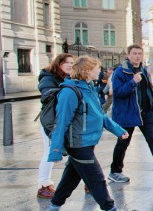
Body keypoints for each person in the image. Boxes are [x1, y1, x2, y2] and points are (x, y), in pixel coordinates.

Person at [47, 56, 129, 211]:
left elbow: (101, 115)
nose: (100, 71)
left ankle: (54, 205)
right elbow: (61, 122)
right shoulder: (70, 92)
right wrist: (56, 151)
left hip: (88, 142)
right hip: (78, 144)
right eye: (97, 68)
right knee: (97, 178)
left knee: (71, 177)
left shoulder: (89, 87)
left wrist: (118, 130)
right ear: (86, 71)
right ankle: (110, 208)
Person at [108, 44, 153, 183]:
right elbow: (117, 93)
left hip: (145, 112)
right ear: (128, 55)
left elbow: (148, 91)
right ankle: (115, 171)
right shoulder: (120, 72)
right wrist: (132, 82)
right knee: (123, 142)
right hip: (128, 113)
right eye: (134, 53)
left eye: (139, 54)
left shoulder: (143, 70)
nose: (137, 56)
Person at [36, 53, 75, 199]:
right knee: (49, 152)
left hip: (66, 120)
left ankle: (88, 181)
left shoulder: (69, 78)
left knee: (76, 152)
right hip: (51, 121)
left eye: (72, 63)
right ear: (58, 64)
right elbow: (46, 93)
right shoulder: (48, 77)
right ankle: (43, 185)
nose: (70, 65)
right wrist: (65, 89)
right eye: (66, 63)